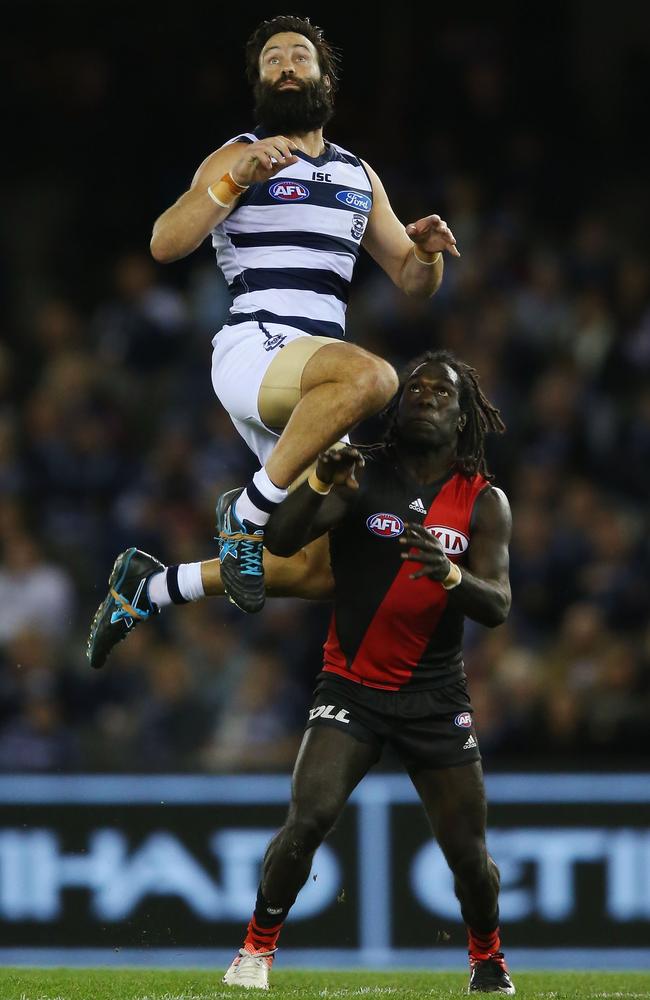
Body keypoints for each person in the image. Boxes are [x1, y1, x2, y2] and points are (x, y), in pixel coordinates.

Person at [86, 350, 515, 994]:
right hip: (351, 688)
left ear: (463, 421)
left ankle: (487, 958)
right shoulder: (362, 472)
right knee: (307, 819)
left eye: (442, 394)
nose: (425, 397)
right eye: (416, 389)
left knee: (470, 861)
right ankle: (256, 948)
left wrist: (450, 573)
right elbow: (283, 543)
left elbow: (500, 605)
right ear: (396, 408)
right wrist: (317, 486)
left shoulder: (484, 502)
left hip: (435, 696)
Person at [148, 14, 460, 614]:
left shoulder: (356, 175)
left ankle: (155, 585)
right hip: (257, 347)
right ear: (260, 83)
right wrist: (233, 182)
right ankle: (245, 513)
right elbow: (165, 242)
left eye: (298, 56)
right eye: (272, 60)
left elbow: (413, 281)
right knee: (375, 377)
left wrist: (426, 251)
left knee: (314, 572)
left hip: (317, 382)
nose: (286, 66)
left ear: (324, 79)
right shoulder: (237, 156)